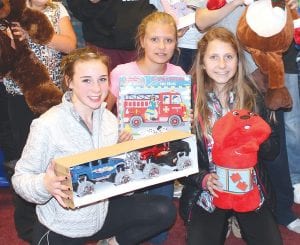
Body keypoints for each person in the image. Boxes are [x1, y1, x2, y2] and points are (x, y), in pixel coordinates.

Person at [11, 47, 176, 245]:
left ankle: (110, 243)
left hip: (101, 214)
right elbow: (20, 178)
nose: (97, 89)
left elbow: (116, 182)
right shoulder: (47, 124)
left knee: (164, 210)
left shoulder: (109, 120)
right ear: (69, 82)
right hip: (62, 225)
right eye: (86, 80)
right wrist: (45, 185)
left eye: (102, 79)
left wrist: (126, 157)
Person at [195, 0, 300, 234]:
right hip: (223, 65)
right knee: (215, 140)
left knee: (271, 143)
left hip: (259, 71)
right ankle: (228, 209)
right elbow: (201, 21)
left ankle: (281, 208)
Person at [179, 27, 282, 245]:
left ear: (238, 61)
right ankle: (225, 220)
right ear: (203, 63)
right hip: (210, 191)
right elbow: (177, 160)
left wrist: (257, 137)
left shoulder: (253, 97)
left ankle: (236, 219)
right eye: (214, 57)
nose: (223, 65)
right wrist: (203, 179)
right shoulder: (187, 100)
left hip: (248, 188)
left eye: (229, 57)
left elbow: (274, 151)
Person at [108, 11, 185, 244]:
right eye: (154, 39)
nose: (161, 46)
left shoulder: (178, 75)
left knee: (160, 222)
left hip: (163, 160)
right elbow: (101, 114)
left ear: (176, 44)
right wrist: (115, 135)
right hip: (127, 158)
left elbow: (182, 121)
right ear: (142, 40)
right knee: (127, 217)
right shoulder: (121, 73)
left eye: (168, 40)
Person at [2, 0, 76, 242]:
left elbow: (70, 44)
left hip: (53, 98)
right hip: (18, 97)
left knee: (54, 155)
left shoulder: (58, 10)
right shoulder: (11, 11)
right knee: (23, 159)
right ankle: (26, 223)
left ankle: (58, 213)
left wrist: (36, 34)